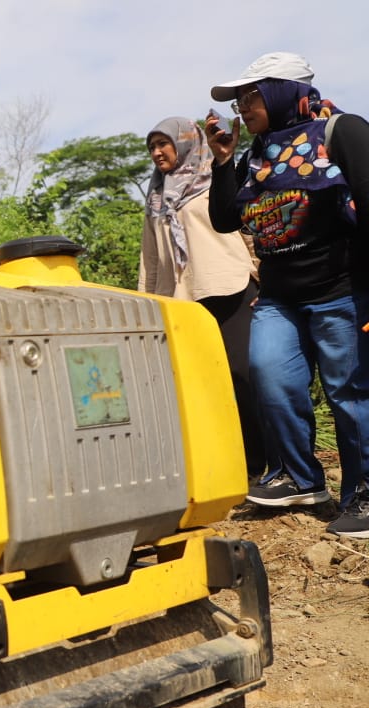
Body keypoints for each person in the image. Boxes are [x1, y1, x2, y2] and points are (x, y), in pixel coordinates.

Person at [206, 52, 369, 537]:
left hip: (341, 289)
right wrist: (222, 161)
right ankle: (300, 478)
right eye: (238, 99)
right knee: (270, 377)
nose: (242, 107)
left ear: (281, 90)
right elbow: (224, 219)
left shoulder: (342, 132)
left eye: (250, 95)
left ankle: (363, 494)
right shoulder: (257, 154)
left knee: (350, 393)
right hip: (279, 297)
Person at [139, 117, 265, 480]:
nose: (157, 152)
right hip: (183, 301)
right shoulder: (156, 195)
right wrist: (145, 303)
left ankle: (262, 466)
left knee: (244, 376)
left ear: (184, 143)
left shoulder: (217, 178)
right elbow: (150, 257)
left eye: (164, 143)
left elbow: (249, 229)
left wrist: (266, 279)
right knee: (201, 385)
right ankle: (225, 468)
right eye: (152, 146)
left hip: (231, 287)